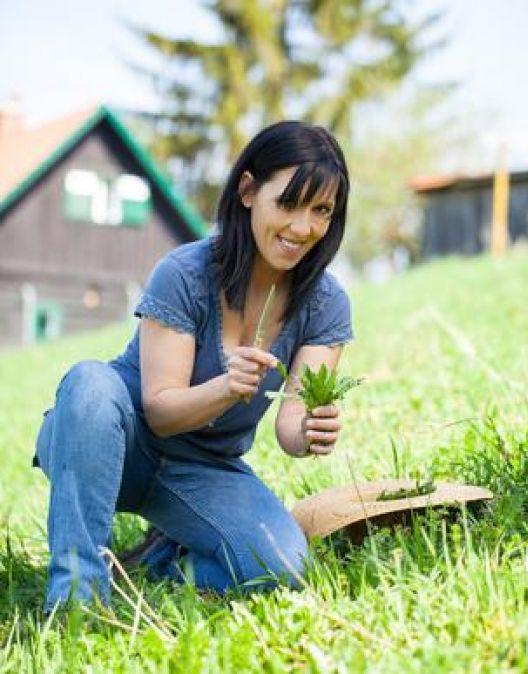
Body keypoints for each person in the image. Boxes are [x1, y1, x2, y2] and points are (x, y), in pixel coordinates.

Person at [34, 120, 353, 612]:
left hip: (204, 469)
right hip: (110, 439)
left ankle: (163, 557)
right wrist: (227, 387)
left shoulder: (325, 304)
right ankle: (78, 596)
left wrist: (310, 430)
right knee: (89, 382)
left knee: (284, 566)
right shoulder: (184, 273)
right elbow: (160, 412)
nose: (303, 227)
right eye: (288, 204)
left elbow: (290, 427)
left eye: (322, 210)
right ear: (248, 191)